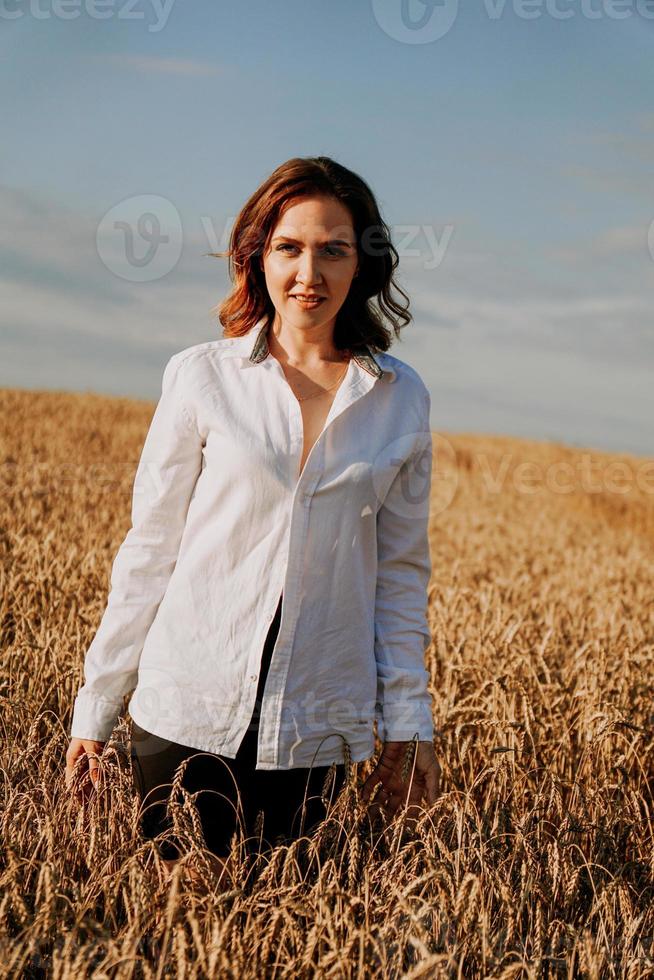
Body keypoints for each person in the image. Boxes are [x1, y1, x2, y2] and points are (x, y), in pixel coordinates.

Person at [65, 155, 441, 885]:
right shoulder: (201, 376)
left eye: (334, 249)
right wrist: (95, 708)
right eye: (289, 248)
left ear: (362, 265)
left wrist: (409, 723)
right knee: (174, 926)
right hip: (185, 710)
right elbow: (150, 549)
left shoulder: (401, 398)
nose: (310, 272)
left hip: (317, 730)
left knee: (281, 929)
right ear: (256, 256)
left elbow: (399, 577)